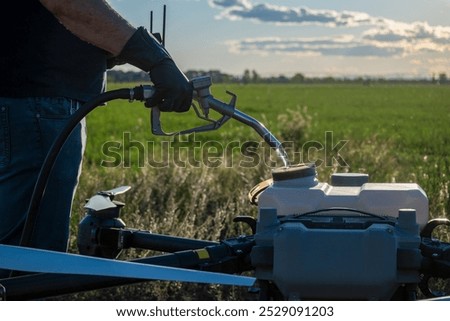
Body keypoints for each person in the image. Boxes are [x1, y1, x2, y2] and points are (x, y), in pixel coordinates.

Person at [0, 0, 192, 270]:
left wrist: (106, 50)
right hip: (36, 104)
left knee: (20, 250)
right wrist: (154, 57)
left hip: (31, 103)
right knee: (31, 259)